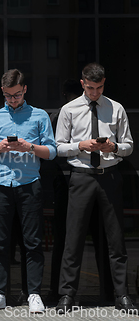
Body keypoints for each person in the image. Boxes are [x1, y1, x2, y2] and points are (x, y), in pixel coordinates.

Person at [55, 63, 137, 313]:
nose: (95, 93)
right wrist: (82, 145)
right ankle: (67, 295)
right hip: (80, 177)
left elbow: (129, 145)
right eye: (90, 88)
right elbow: (58, 146)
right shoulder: (69, 109)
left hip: (109, 175)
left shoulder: (116, 108)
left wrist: (113, 148)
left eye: (99, 87)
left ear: (104, 83)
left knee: (116, 239)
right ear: (82, 84)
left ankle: (122, 295)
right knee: (74, 238)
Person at [0, 69, 56, 313]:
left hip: (29, 184)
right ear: (2, 92)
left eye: (17, 95)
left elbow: (52, 151)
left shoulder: (39, 115)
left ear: (25, 90)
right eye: (9, 96)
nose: (13, 100)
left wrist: (29, 147)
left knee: (32, 243)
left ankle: (34, 293)